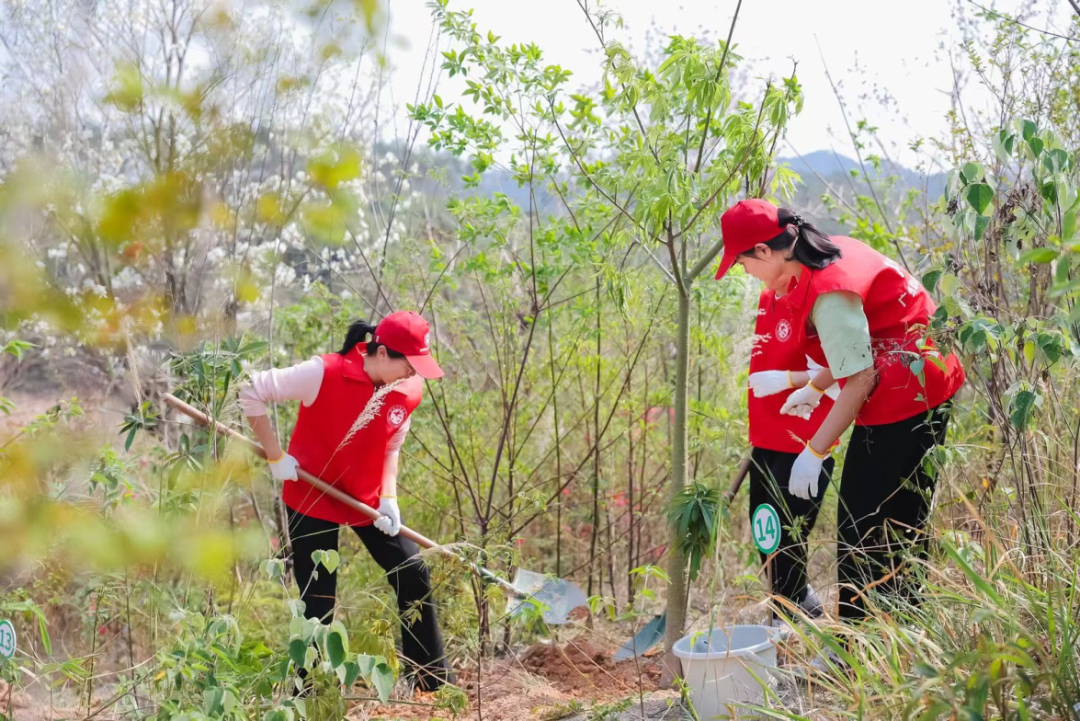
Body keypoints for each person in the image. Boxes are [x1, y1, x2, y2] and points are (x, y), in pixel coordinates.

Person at [716, 200, 965, 622]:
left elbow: (861, 377)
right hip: (922, 375)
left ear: (764, 251)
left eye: (743, 263)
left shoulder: (829, 291)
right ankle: (900, 625)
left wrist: (814, 452)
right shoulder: (825, 252)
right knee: (895, 517)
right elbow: (857, 342)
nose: (745, 273)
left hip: (911, 391)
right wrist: (815, 385)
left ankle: (857, 644)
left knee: (862, 524)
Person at [239, 310, 454, 692]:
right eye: (409, 363)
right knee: (318, 602)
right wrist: (275, 457)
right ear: (383, 353)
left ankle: (429, 682)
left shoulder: (408, 389)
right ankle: (312, 697)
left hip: (365, 499)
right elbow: (251, 389)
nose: (414, 373)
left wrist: (389, 498)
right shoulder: (323, 372)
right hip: (311, 494)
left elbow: (393, 444)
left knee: (412, 572)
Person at [746, 275, 840, 623]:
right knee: (764, 527)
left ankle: (789, 614)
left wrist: (788, 380)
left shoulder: (817, 299)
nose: (748, 270)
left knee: (789, 529)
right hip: (766, 432)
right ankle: (791, 601)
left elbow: (842, 364)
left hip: (806, 434)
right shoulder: (766, 296)